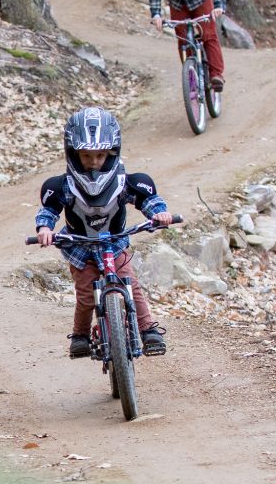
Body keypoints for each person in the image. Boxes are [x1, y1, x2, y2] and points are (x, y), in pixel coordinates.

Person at [34, 107, 174, 358]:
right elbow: (49, 210)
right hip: (80, 246)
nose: (94, 162)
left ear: (112, 152)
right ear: (73, 154)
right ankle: (80, 336)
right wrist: (45, 229)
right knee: (86, 294)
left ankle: (148, 330)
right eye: (86, 156)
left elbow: (147, 200)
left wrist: (158, 215)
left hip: (115, 243)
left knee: (130, 284)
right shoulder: (63, 186)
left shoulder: (125, 182)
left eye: (100, 155)